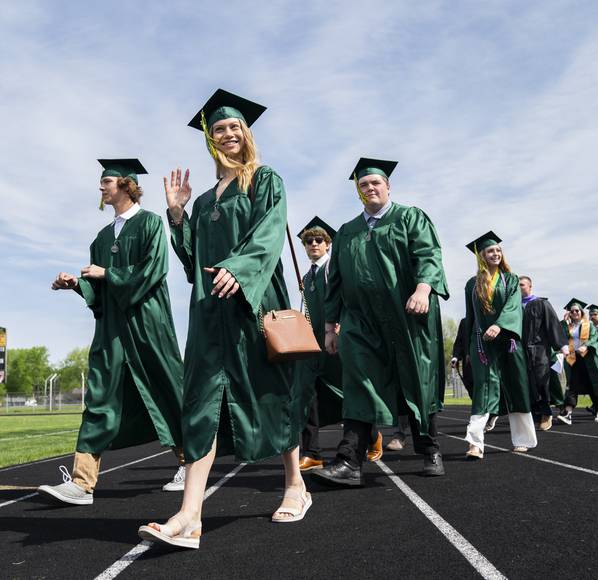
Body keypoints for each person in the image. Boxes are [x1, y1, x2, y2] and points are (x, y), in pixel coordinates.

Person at [139, 90, 310, 550]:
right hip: (210, 312)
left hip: (254, 305)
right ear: (210, 140)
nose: (227, 133)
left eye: (234, 127)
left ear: (246, 133)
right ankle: (190, 514)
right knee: (201, 404)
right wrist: (176, 217)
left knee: (272, 392)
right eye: (218, 129)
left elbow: (270, 233)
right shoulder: (202, 202)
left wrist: (240, 268)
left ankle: (296, 484)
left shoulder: (264, 180)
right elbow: (193, 259)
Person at [39, 159, 185, 506]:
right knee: (100, 396)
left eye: (106, 181)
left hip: (148, 325)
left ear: (126, 186)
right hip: (112, 330)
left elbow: (154, 271)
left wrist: (108, 274)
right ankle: (81, 483)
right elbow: (98, 297)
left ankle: (188, 462)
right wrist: (77, 285)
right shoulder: (101, 238)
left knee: (167, 392)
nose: (101, 187)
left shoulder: (150, 223)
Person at [313, 157, 449, 486]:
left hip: (408, 315)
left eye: (375, 183)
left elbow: (429, 254)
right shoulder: (347, 232)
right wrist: (331, 326)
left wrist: (423, 288)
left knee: (417, 379)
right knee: (358, 381)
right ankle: (349, 462)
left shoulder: (410, 218)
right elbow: (337, 283)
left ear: (388, 186)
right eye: (363, 185)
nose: (369, 188)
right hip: (362, 322)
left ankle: (429, 448)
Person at [294, 217, 383, 469]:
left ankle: (372, 435)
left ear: (328, 244)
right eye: (308, 241)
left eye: (318, 240)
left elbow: (345, 298)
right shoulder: (306, 277)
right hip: (312, 344)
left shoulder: (334, 268)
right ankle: (312, 452)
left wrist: (338, 326)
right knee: (306, 391)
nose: (313, 244)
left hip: (336, 338)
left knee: (349, 390)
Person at [461, 232, 537, 459]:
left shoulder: (510, 279)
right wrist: (468, 348)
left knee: (517, 388)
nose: (495, 253)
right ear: (481, 256)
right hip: (483, 344)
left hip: (509, 341)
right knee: (483, 389)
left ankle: (522, 440)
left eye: (498, 250)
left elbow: (514, 307)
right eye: (490, 251)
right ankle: (475, 443)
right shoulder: (472, 284)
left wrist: (500, 326)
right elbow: (470, 315)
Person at [521, 285, 569, 431]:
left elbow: (552, 323)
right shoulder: (514, 306)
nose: (519, 287)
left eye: (522, 284)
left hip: (540, 349)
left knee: (542, 381)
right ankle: (536, 415)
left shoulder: (541, 303)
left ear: (530, 286)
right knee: (528, 384)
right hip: (521, 351)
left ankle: (546, 414)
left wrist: (562, 345)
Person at [557, 299, 598, 425]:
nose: (574, 312)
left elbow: (594, 338)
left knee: (594, 385)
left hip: (589, 359)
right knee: (572, 385)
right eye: (572, 311)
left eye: (577, 310)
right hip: (574, 359)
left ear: (581, 312)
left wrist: (586, 346)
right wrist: (564, 321)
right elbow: (558, 332)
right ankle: (568, 413)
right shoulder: (567, 325)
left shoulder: (588, 325)